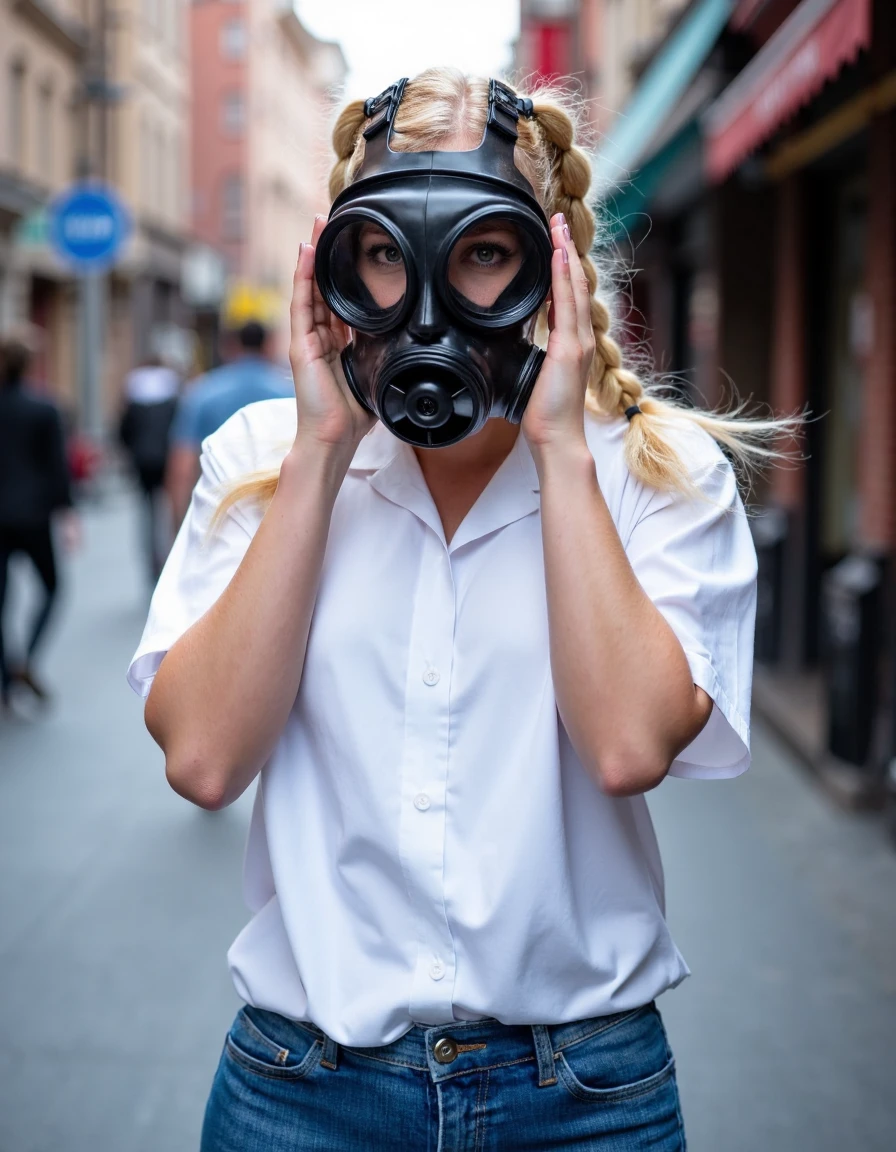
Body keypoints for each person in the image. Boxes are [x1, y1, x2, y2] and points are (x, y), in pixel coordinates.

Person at [128, 70, 795, 1150]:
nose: (425, 298)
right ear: (335, 265)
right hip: (302, 1094)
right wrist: (318, 455)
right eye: (383, 255)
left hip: (583, 1099)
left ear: (551, 265)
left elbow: (628, 745)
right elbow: (203, 762)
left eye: (482, 253)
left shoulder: (655, 473)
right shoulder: (264, 459)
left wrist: (559, 446)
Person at [0, 336, 79, 710]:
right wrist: (67, 514)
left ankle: (6, 677)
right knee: (51, 588)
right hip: (33, 516)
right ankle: (27, 659)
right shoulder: (44, 408)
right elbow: (57, 470)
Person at [164, 320, 294, 531]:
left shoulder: (203, 392)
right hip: (278, 515)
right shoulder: (289, 393)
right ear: (267, 345)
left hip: (217, 515)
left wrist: (178, 521)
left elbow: (182, 464)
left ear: (234, 346)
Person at [119, 354, 180, 582]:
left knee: (147, 511)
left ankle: (151, 558)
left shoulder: (135, 392)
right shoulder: (172, 391)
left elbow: (124, 431)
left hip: (142, 460)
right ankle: (169, 553)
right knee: (169, 507)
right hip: (166, 458)